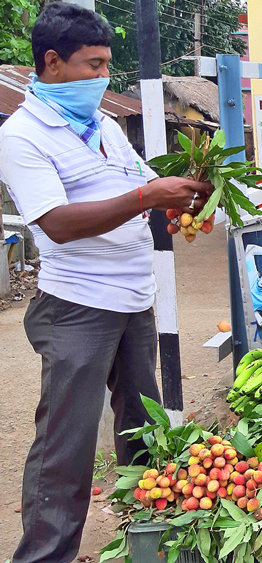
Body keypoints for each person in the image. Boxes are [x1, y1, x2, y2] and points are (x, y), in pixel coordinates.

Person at [0, 4, 212, 561]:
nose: (101, 78)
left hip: (133, 300)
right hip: (77, 306)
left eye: (106, 66)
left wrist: (179, 202)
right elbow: (59, 224)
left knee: (142, 432)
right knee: (65, 448)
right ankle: (45, 556)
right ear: (51, 62)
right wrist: (149, 197)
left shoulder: (107, 129)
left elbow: (142, 187)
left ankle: (145, 542)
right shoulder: (23, 136)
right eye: (91, 65)